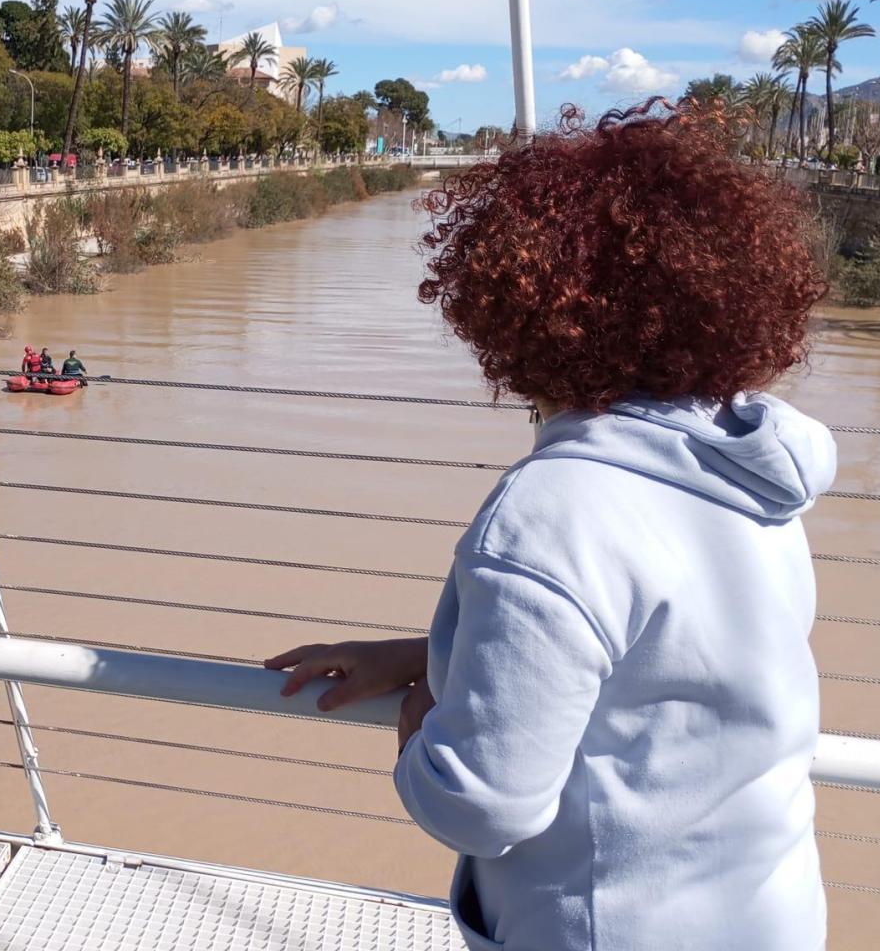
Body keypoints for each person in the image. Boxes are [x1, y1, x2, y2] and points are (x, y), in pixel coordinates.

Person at [265, 100, 833, 951]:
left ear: (516, 306)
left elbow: (483, 802)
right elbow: (666, 659)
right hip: (770, 915)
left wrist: (427, 717)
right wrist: (438, 652)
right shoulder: (753, 472)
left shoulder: (554, 508)